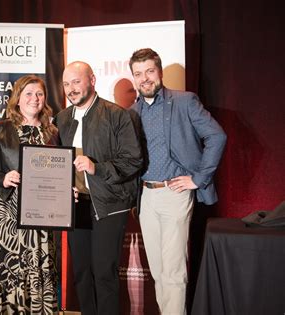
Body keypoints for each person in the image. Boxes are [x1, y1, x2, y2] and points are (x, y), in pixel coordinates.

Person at [129, 48, 227, 315]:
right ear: (134, 78)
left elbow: (217, 136)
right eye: (138, 74)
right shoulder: (132, 112)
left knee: (173, 271)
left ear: (159, 72)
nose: (145, 78)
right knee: (159, 272)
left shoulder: (184, 101)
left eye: (149, 71)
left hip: (175, 193)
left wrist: (198, 178)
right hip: (146, 198)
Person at [54, 61, 143, 315]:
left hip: (109, 204)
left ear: (92, 80)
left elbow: (133, 160)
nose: (71, 89)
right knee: (81, 272)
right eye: (66, 84)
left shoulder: (117, 115)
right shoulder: (61, 119)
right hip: (76, 205)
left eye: (76, 81)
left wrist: (97, 168)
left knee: (104, 273)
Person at [0, 75, 59, 314]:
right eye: (29, 94)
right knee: (7, 270)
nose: (35, 99)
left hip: (41, 214)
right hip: (6, 213)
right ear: (18, 99)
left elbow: (58, 170)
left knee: (38, 269)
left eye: (40, 94)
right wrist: (3, 177)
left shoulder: (52, 132)